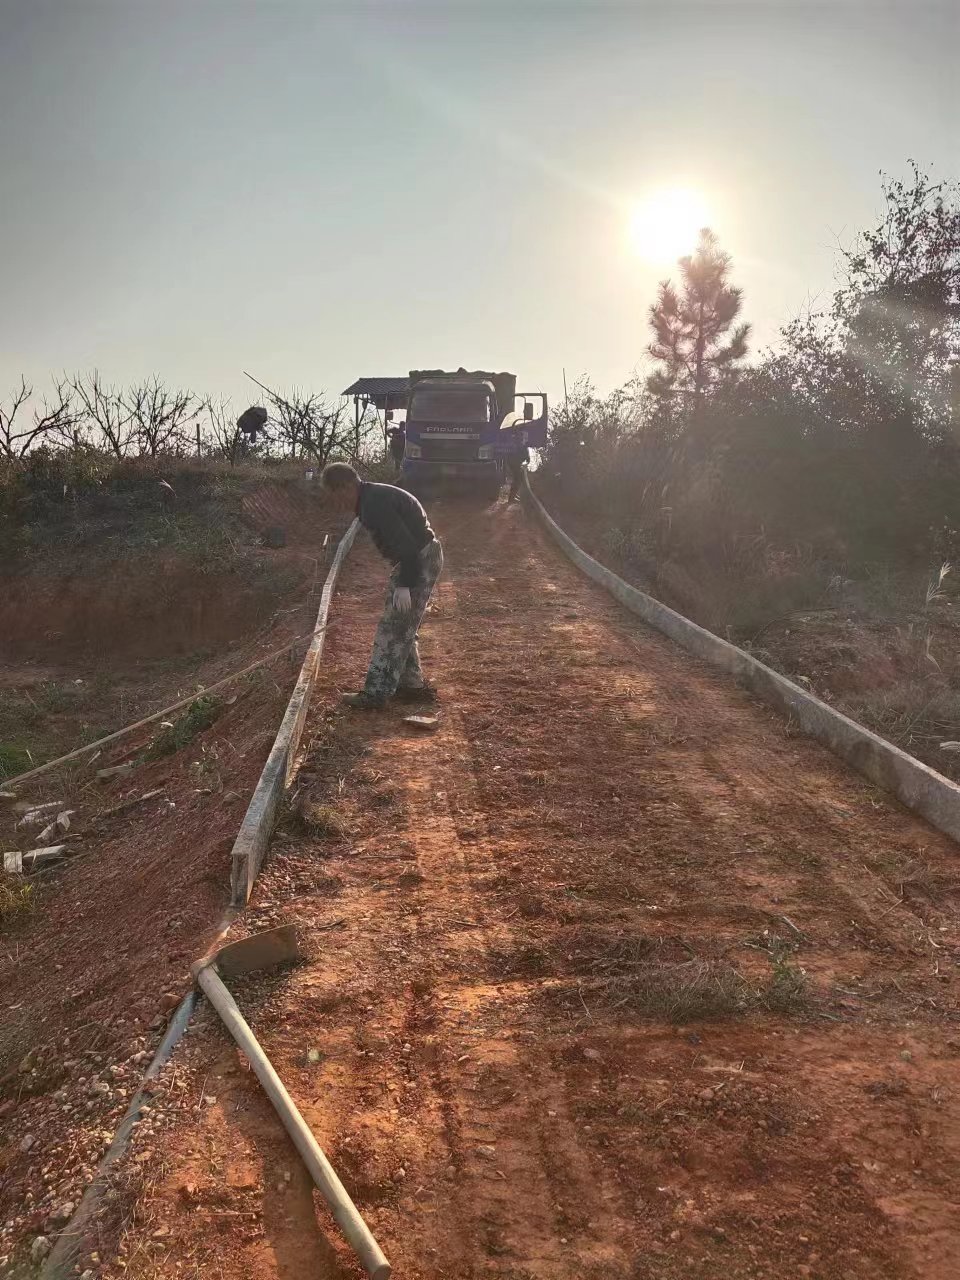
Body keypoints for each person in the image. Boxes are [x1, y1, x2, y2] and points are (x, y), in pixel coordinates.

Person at [320, 462, 443, 709]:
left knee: (391, 628)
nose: (336, 503)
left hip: (418, 560)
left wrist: (405, 584)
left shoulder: (374, 504)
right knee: (402, 624)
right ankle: (411, 684)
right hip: (420, 557)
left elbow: (407, 546)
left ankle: (375, 694)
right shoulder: (371, 498)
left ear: (345, 487)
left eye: (334, 495)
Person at [507, 436, 530, 503]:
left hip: (515, 465)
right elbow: (527, 459)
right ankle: (511, 498)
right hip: (517, 466)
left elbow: (527, 459)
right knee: (517, 481)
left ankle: (513, 496)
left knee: (516, 481)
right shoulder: (522, 447)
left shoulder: (514, 446)